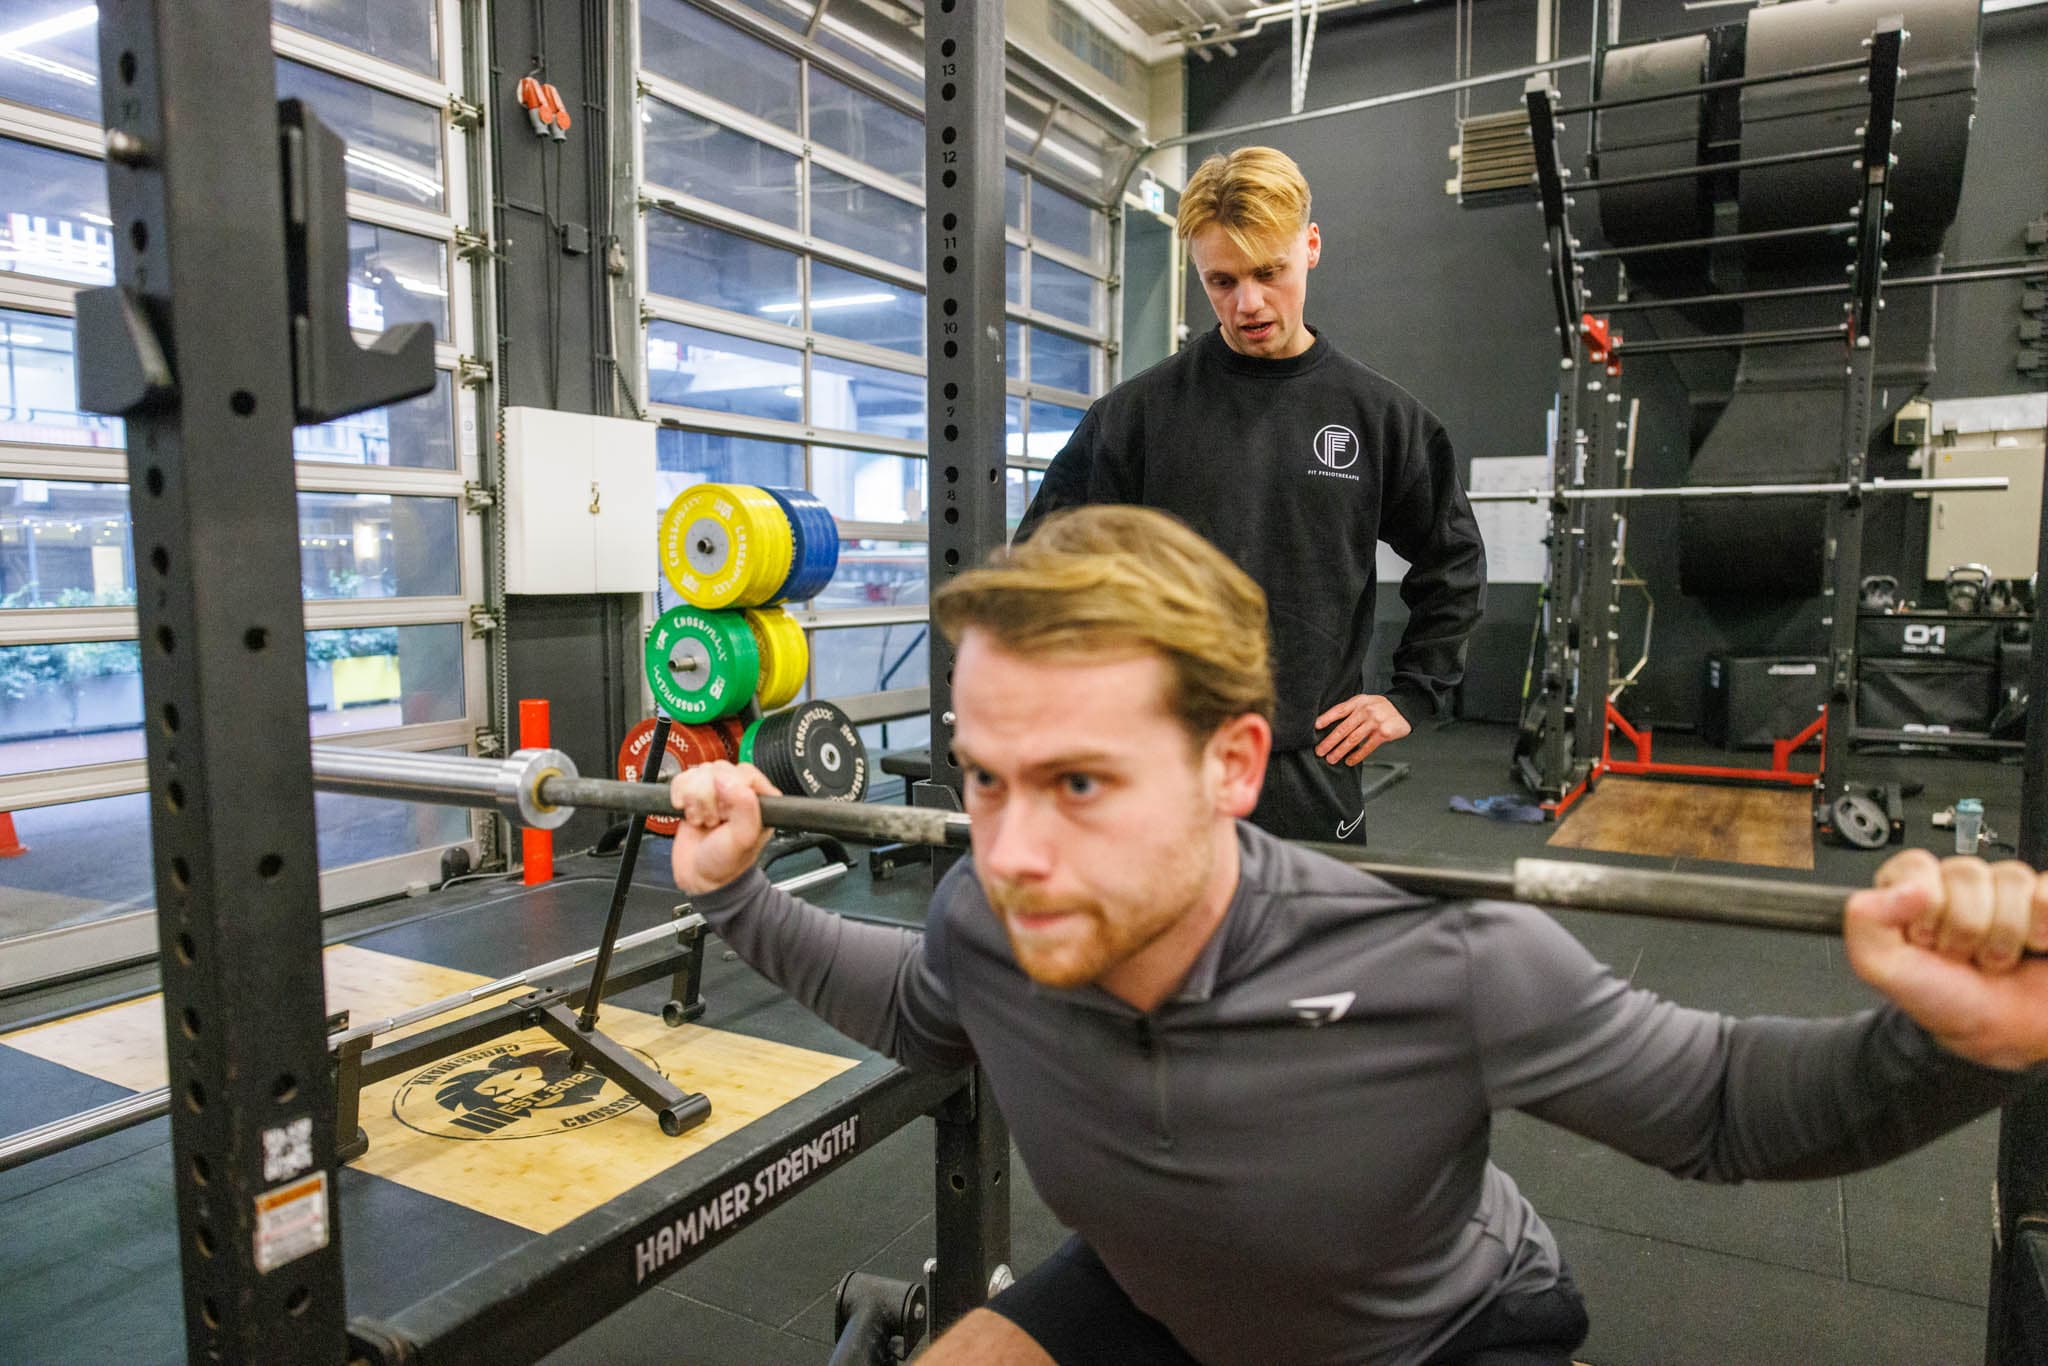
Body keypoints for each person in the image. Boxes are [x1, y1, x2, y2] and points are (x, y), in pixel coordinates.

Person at [670, 506, 2048, 1366]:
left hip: (1435, 1334)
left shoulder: (1443, 962)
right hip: (1165, 1290)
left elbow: (1726, 1108)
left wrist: (1947, 1049)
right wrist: (736, 891)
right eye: (984, 778)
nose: (1013, 850)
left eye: (1081, 782)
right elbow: (920, 1006)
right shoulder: (989, 920)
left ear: (1233, 763)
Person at [1015, 146, 1486, 846]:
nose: (1249, 304)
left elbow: (1452, 562)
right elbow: (1042, 565)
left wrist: (1412, 694)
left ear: (1312, 247)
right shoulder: (1137, 416)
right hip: (1162, 765)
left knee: (1305, 955)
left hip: (1307, 768)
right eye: (1222, 281)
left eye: (1270, 272)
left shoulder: (1382, 419)